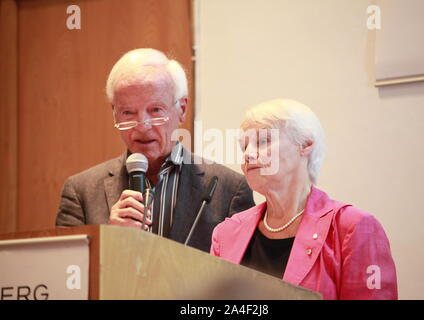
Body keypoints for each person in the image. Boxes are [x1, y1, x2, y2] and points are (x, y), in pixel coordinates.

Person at [56, 48, 254, 252]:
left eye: (156, 110)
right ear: (114, 114)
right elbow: (67, 273)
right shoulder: (81, 191)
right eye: (128, 112)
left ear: (182, 109)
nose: (142, 125)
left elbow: (245, 279)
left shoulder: (229, 190)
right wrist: (109, 239)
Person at [210, 99, 398, 299]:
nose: (248, 155)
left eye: (262, 141)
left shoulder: (353, 228)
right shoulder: (226, 233)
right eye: (244, 147)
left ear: (306, 144)